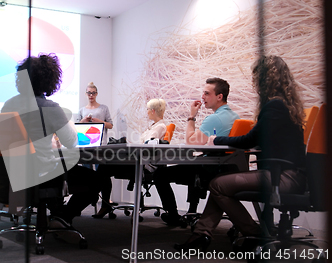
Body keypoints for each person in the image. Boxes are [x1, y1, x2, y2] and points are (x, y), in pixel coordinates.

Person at [174, 55, 306, 251]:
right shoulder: (285, 105)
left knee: (218, 185)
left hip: (284, 176)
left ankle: (256, 234)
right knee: (222, 182)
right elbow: (258, 140)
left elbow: (249, 140)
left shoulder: (275, 106)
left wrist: (216, 140)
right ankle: (201, 234)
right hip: (288, 173)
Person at [1, 53, 101, 238]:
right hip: (44, 174)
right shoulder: (50, 108)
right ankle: (62, 216)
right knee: (97, 180)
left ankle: (56, 213)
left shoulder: (8, 105)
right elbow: (71, 142)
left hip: (14, 173)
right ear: (49, 80)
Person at [152, 77, 240, 225]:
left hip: (210, 170)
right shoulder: (234, 116)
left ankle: (173, 215)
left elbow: (191, 142)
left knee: (160, 174)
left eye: (206, 93)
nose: (202, 97)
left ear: (219, 96)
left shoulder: (215, 118)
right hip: (224, 168)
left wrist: (192, 116)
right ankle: (191, 211)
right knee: (191, 165)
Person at [93, 98, 167, 218]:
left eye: (148, 109)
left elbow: (148, 145)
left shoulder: (160, 127)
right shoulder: (153, 126)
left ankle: (102, 202)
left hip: (145, 164)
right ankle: (105, 203)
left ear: (153, 111)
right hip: (138, 160)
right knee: (104, 166)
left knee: (104, 168)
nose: (146, 112)